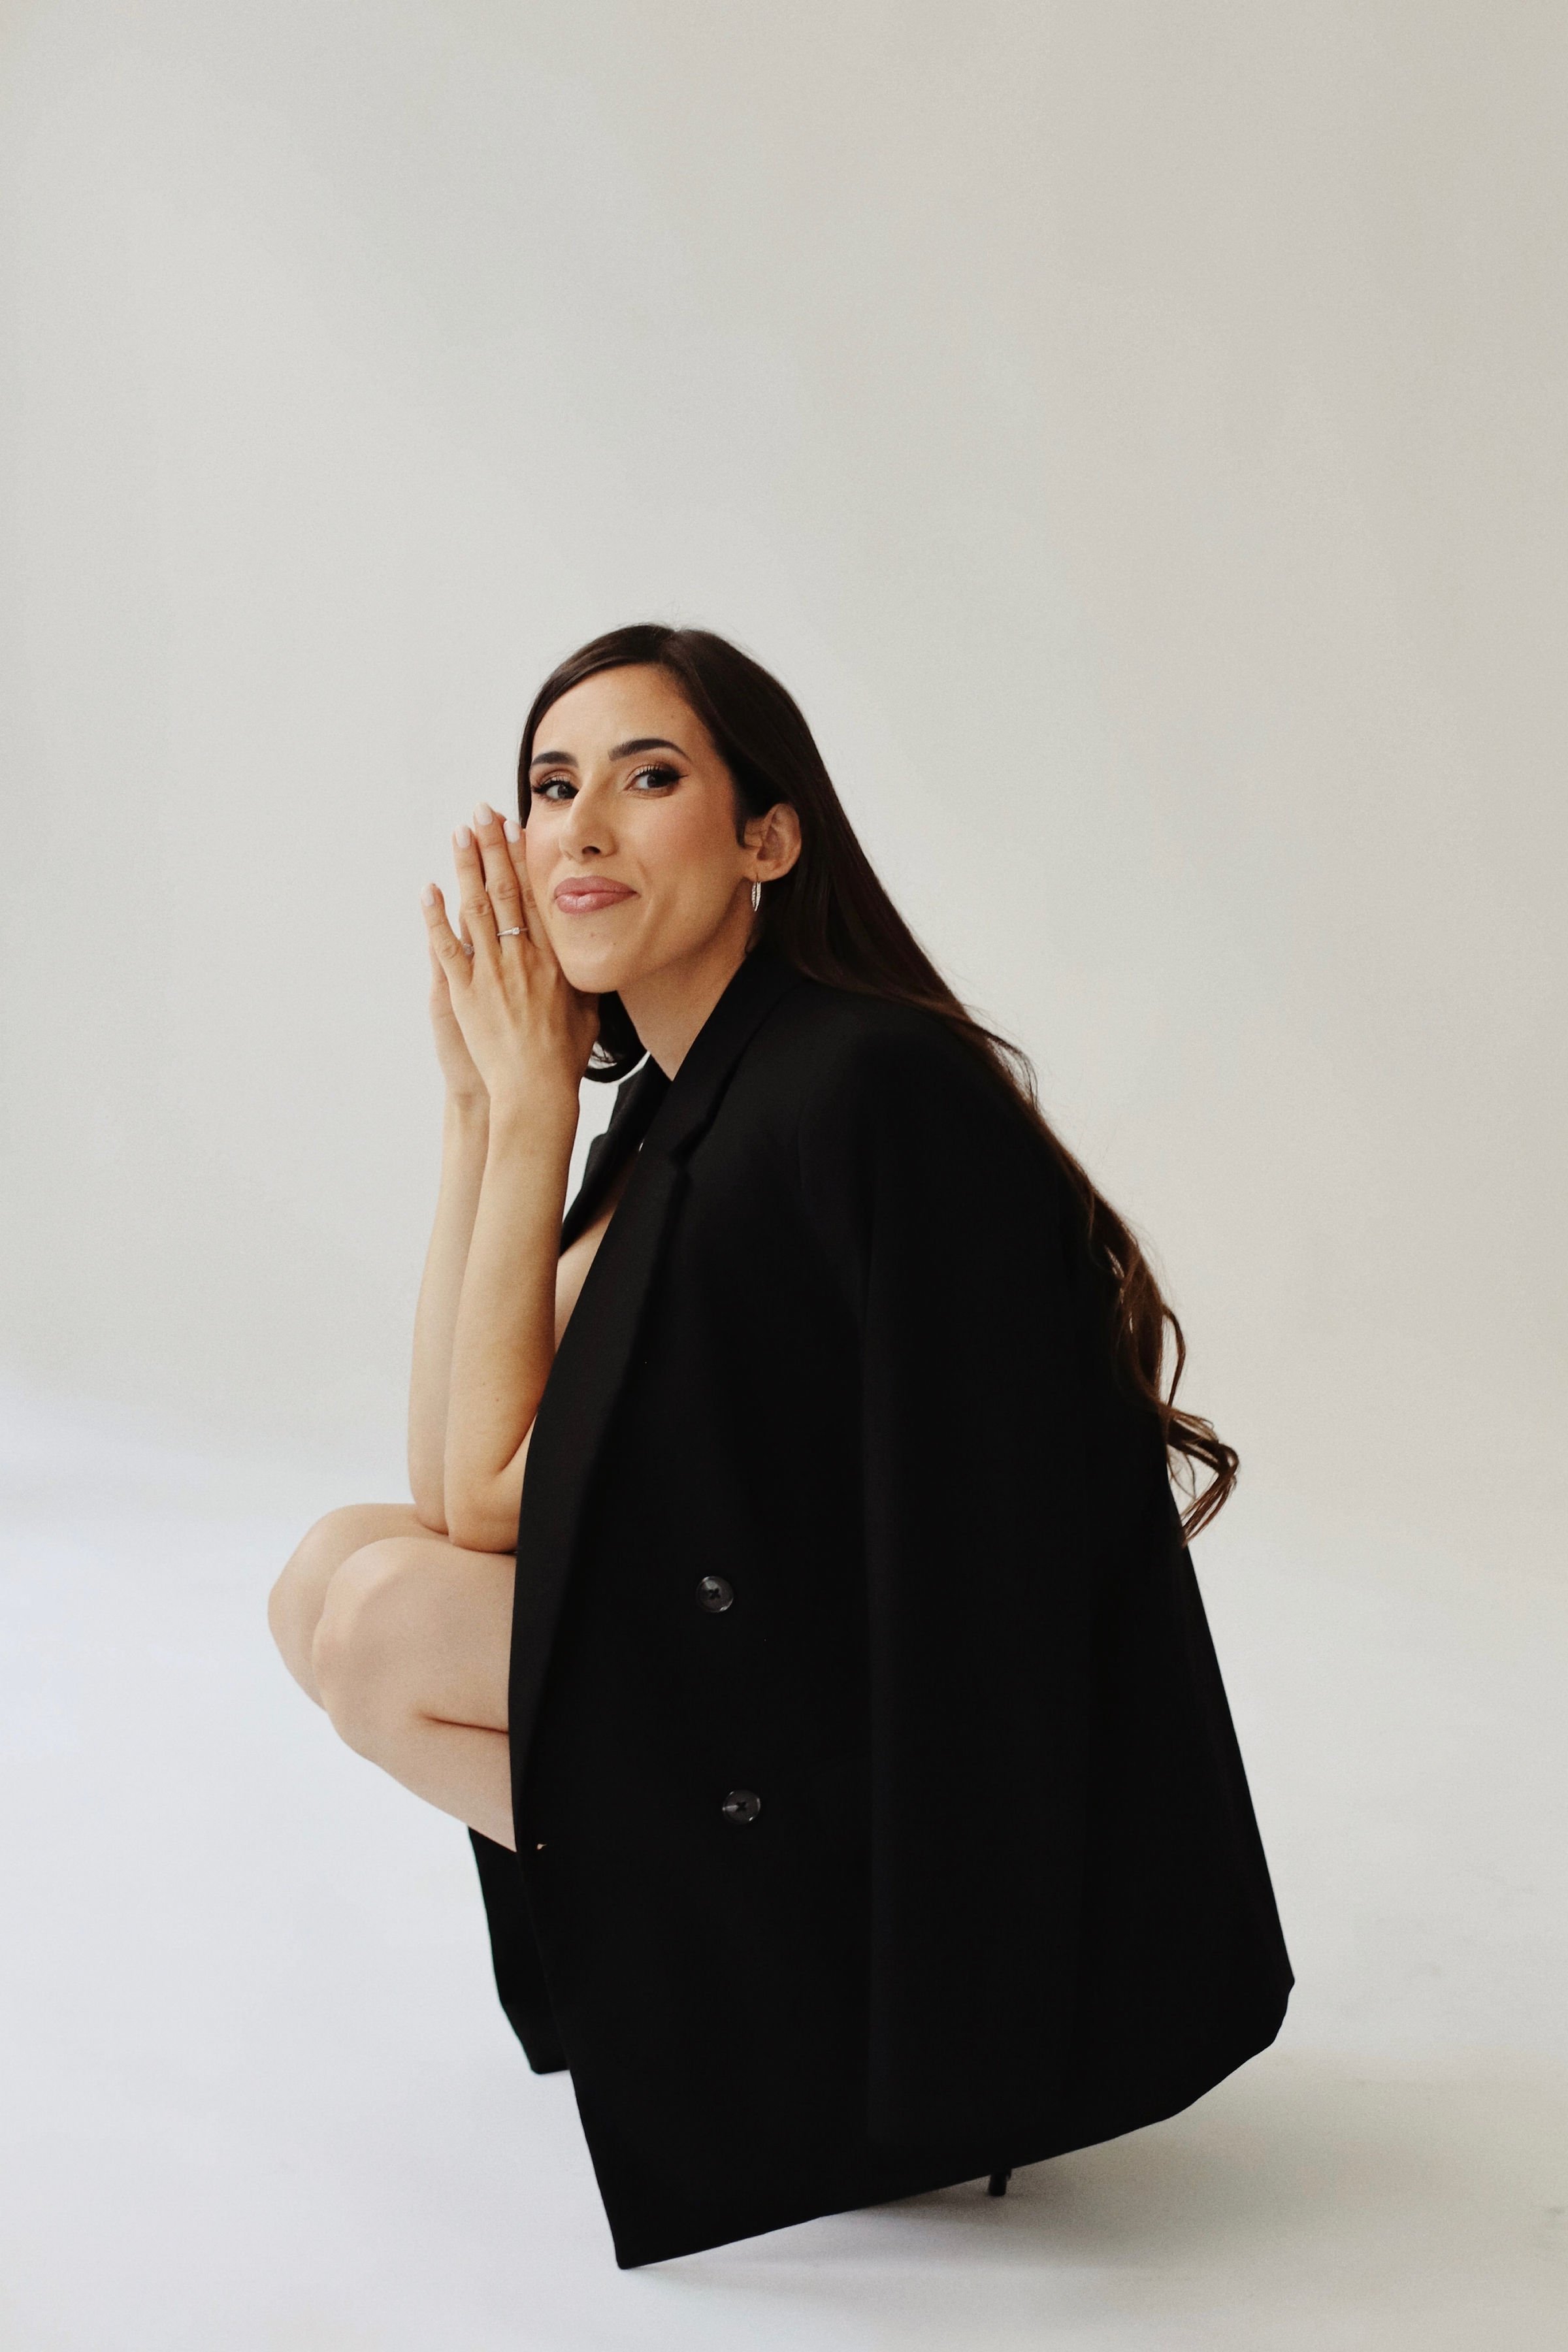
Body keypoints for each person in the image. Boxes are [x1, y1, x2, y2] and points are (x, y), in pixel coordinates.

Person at [268, 623, 1292, 2268]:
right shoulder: (683, 1105)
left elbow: (490, 1502)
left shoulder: (858, 1080)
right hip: (778, 1700)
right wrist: (483, 1106)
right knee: (337, 1566)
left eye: (647, 778)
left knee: (387, 1619)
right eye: (551, 787)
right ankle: (716, 1980)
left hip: (902, 1798)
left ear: (768, 837)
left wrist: (528, 1115)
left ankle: (804, 2011)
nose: (582, 827)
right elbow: (459, 1484)